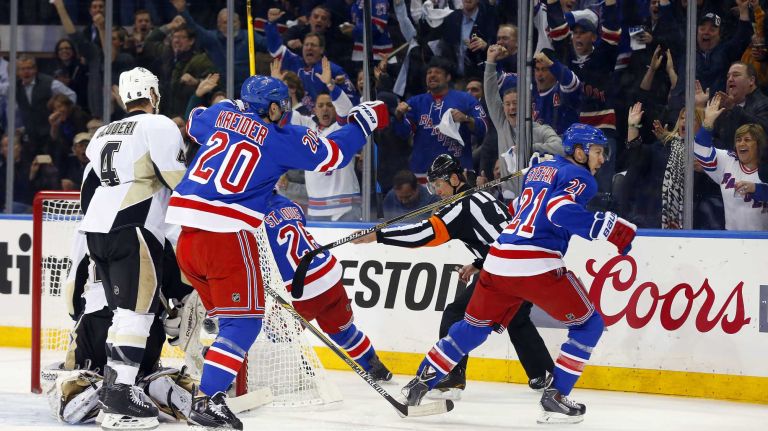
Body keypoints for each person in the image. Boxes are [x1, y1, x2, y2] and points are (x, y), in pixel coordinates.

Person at [165, 75, 388, 429]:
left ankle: (211, 373)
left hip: (185, 238)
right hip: (225, 236)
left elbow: (194, 121)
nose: (283, 112)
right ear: (271, 107)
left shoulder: (217, 116)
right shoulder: (282, 139)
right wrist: (363, 122)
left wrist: (233, 109)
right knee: (245, 322)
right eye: (280, 106)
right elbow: (334, 155)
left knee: (228, 321)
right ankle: (208, 398)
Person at [400, 124, 637, 424]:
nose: (602, 159)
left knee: (471, 329)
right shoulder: (581, 177)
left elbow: (519, 208)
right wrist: (611, 229)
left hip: (499, 259)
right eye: (598, 152)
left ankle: (418, 385)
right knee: (589, 325)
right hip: (536, 263)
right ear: (579, 152)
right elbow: (557, 210)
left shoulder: (540, 170)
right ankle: (556, 396)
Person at [354, 154, 554, 400]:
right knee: (517, 316)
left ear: (455, 179)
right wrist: (480, 263)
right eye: (433, 185)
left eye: (439, 184)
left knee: (456, 313)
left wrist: (379, 235)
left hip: (508, 271)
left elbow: (425, 234)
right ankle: (544, 373)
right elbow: (504, 236)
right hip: (525, 265)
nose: (436, 191)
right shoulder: (484, 197)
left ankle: (451, 375)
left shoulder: (460, 205)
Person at [78, 67, 188, 430]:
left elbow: (88, 190)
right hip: (133, 226)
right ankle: (120, 395)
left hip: (97, 230)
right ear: (153, 94)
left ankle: (116, 386)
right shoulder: (159, 125)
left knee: (123, 311)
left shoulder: (101, 133)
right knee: (136, 312)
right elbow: (179, 182)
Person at [40, 228, 198, 425]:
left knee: (69, 395)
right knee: (140, 373)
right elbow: (181, 291)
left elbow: (72, 291)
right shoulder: (154, 230)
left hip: (95, 326)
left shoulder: (89, 226)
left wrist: (81, 314)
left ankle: (98, 390)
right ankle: (146, 387)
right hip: (145, 332)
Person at [263, 192, 393, 381]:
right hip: (329, 272)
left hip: (301, 286)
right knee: (342, 331)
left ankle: (299, 370)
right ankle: (376, 367)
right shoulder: (290, 204)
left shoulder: (251, 215)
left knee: (276, 332)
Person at [695, 94, 768, 230]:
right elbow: (700, 150)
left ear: (758, 144)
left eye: (747, 140)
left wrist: (757, 189)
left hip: (762, 243)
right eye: (738, 140)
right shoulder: (728, 161)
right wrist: (708, 123)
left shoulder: (765, 169)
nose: (741, 143)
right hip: (731, 241)